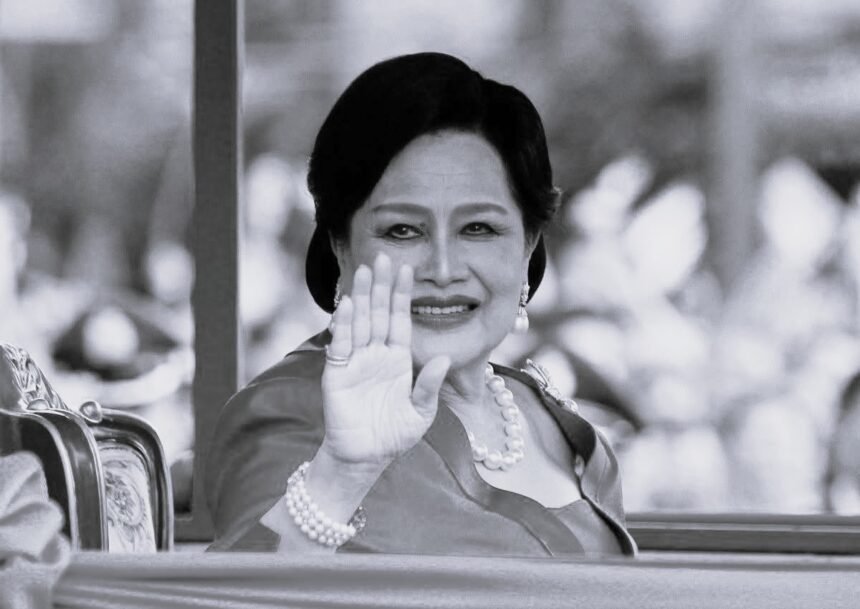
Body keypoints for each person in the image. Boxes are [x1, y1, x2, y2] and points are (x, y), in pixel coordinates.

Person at [206, 52, 637, 557]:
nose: (443, 269)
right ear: (340, 248)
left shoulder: (558, 421)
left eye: (479, 228)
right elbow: (237, 590)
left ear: (528, 247)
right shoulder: (291, 413)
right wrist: (341, 474)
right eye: (403, 231)